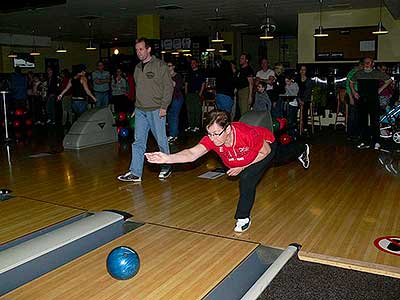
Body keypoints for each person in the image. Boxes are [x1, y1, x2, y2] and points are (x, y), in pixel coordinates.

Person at [145, 109, 310, 233]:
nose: (213, 138)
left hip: (265, 146)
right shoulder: (212, 139)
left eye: (217, 134)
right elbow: (192, 153)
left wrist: (242, 166)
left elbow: (265, 152)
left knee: (249, 176)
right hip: (245, 154)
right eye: (209, 134)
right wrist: (167, 158)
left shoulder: (245, 134)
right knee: (280, 158)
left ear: (229, 129)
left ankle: (243, 217)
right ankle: (301, 149)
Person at [117, 37, 174, 183]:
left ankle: (166, 166)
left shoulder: (160, 66)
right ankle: (136, 173)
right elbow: (139, 89)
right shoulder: (137, 68)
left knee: (161, 140)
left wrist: (164, 106)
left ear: (148, 49)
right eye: (136, 50)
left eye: (141, 49)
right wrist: (136, 106)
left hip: (156, 109)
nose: (138, 52)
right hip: (141, 110)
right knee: (138, 141)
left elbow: (168, 87)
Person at [350, 57, 393, 150]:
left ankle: (376, 141)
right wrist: (354, 92)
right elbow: (351, 82)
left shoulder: (377, 73)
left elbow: (389, 80)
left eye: (369, 62)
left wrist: (380, 89)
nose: (367, 64)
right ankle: (365, 141)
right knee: (363, 121)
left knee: (375, 121)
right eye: (365, 62)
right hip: (362, 99)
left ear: (372, 64)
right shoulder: (359, 73)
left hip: (373, 99)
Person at [185, 58, 205, 133]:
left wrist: (200, 93)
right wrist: (186, 93)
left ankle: (197, 126)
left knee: (197, 110)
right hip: (189, 94)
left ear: (197, 64)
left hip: (197, 93)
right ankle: (191, 125)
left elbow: (203, 83)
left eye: (194, 63)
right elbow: (186, 83)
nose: (192, 64)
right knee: (190, 110)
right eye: (191, 63)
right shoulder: (189, 73)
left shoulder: (200, 72)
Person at [166, 60, 184, 143]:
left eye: (169, 66)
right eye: (167, 66)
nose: (168, 67)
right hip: (168, 99)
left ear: (173, 67)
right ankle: (174, 134)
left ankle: (173, 135)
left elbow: (177, 86)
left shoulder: (177, 76)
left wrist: (169, 78)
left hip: (177, 98)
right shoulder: (166, 76)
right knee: (169, 116)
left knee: (174, 116)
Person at [345, 59, 363, 140]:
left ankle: (356, 133)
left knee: (357, 115)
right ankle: (350, 134)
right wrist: (351, 98)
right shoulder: (352, 73)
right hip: (351, 95)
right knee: (352, 116)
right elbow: (348, 86)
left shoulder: (360, 73)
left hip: (357, 95)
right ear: (360, 65)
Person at [236, 53, 254, 117]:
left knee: (245, 111)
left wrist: (250, 96)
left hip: (245, 91)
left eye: (242, 58)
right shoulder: (240, 70)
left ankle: (246, 125)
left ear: (247, 60)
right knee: (241, 111)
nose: (240, 60)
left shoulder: (248, 69)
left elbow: (251, 83)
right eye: (240, 58)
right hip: (240, 91)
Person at [296, 65, 313, 135]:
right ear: (299, 71)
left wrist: (302, 100)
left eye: (304, 70)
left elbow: (308, 92)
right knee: (292, 106)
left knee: (305, 110)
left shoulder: (309, 80)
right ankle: (295, 127)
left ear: (306, 71)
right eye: (301, 70)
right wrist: (299, 99)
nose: (302, 71)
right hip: (297, 98)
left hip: (305, 99)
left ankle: (305, 128)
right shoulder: (296, 79)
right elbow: (295, 90)